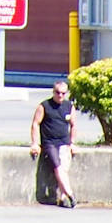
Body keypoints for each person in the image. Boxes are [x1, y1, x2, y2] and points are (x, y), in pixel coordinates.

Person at [30, 80, 76, 209]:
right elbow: (35, 124)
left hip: (64, 142)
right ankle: (70, 195)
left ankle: (63, 197)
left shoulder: (69, 106)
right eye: (57, 92)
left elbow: (73, 125)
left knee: (64, 169)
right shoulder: (44, 106)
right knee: (58, 168)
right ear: (53, 92)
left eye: (63, 93)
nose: (60, 95)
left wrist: (72, 143)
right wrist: (35, 143)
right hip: (50, 143)